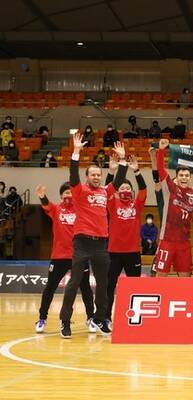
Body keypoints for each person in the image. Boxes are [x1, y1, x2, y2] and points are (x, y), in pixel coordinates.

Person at [58, 134, 128, 339]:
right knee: (74, 282)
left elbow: (120, 180)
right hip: (82, 242)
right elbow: (72, 175)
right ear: (87, 176)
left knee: (104, 284)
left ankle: (100, 318)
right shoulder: (79, 191)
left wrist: (122, 160)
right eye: (93, 175)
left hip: (101, 244)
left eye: (99, 174)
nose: (96, 177)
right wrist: (76, 152)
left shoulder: (106, 192)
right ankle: (65, 321)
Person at [34, 183, 95, 334]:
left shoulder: (81, 209)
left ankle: (91, 318)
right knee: (50, 288)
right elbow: (46, 205)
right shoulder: (56, 209)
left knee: (86, 289)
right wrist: (42, 196)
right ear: (61, 196)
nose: (68, 195)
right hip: (59, 257)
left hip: (79, 256)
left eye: (70, 193)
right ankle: (42, 318)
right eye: (65, 193)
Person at [154, 139, 193, 277]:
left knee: (185, 276)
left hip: (184, 243)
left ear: (190, 177)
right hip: (167, 240)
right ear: (176, 177)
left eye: (186, 175)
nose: (184, 178)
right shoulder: (171, 188)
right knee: (160, 275)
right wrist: (160, 151)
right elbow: (160, 169)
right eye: (181, 175)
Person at [104, 155, 147, 326]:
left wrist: (136, 171)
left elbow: (143, 190)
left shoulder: (137, 204)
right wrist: (112, 172)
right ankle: (106, 317)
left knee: (134, 287)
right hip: (113, 252)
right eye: (122, 187)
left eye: (128, 187)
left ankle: (134, 317)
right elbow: (105, 190)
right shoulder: (112, 204)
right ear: (117, 190)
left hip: (133, 253)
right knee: (109, 286)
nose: (125, 189)